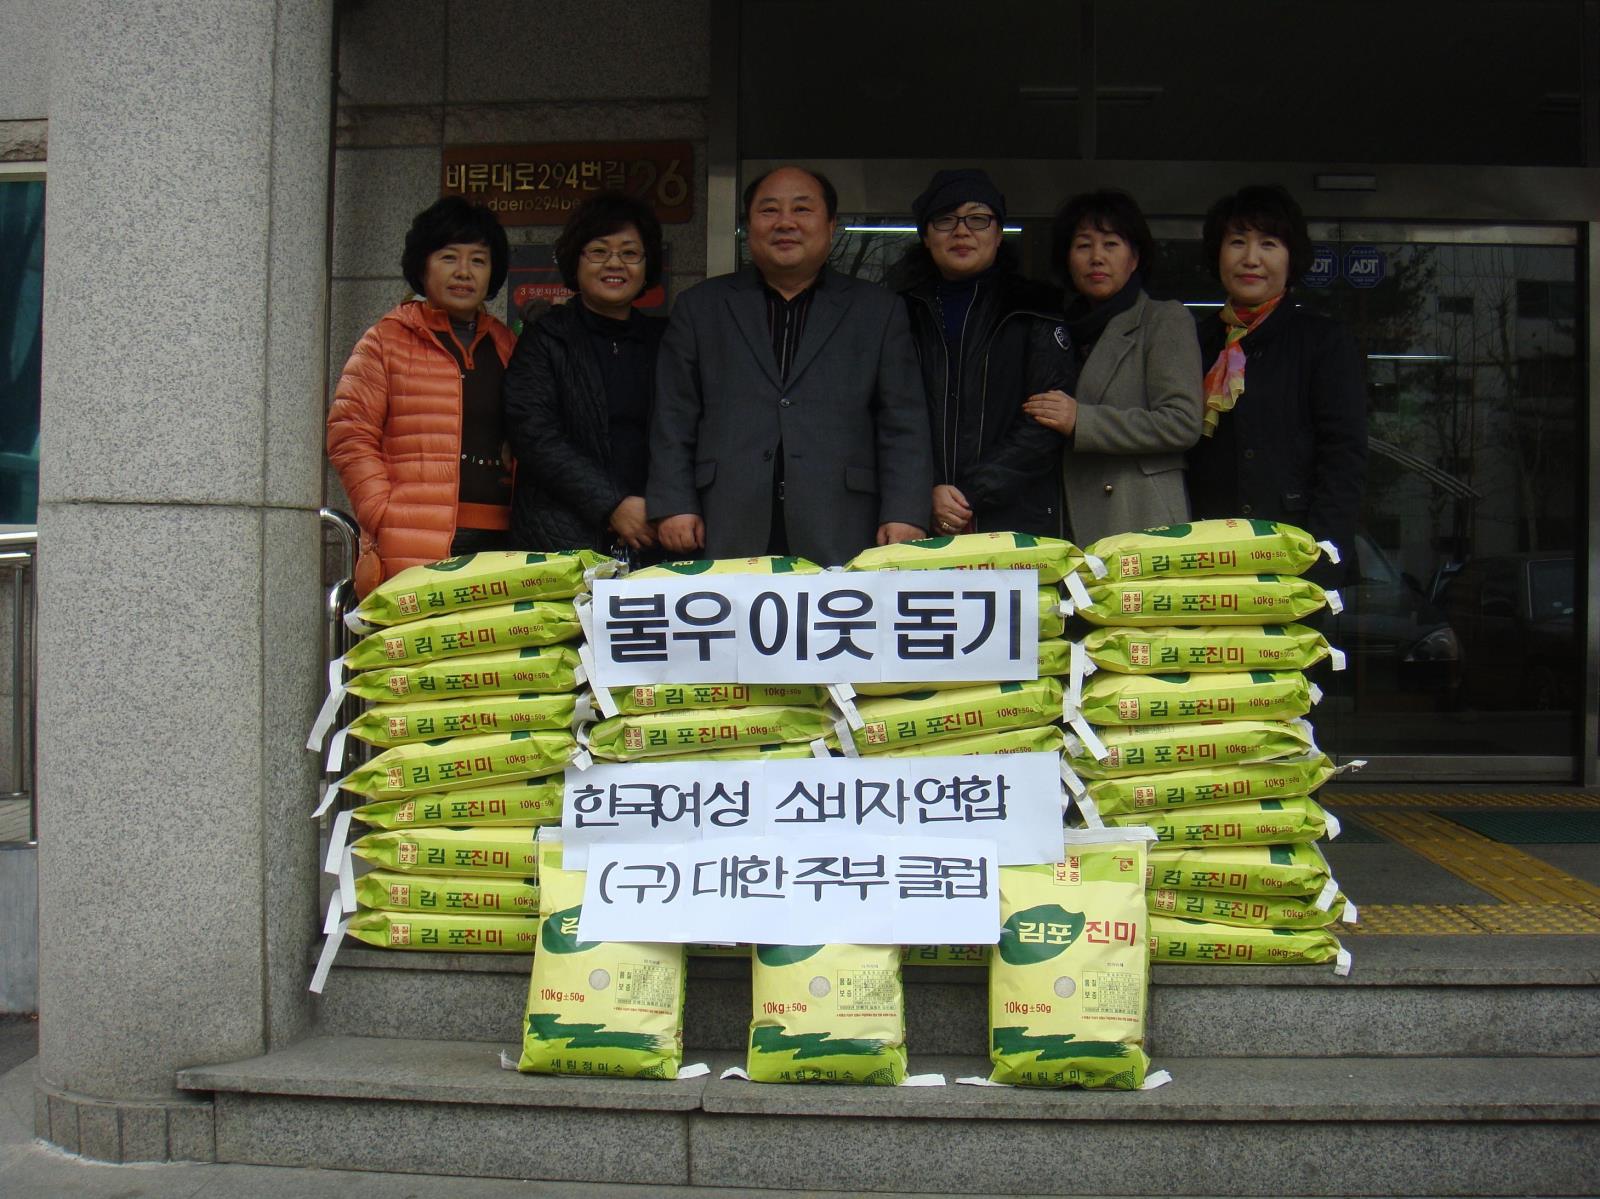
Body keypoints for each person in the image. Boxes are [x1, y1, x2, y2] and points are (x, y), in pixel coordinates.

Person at [646, 165, 933, 564]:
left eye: (802, 210)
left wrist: (905, 511)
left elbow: (903, 420)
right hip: (724, 518)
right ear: (748, 225)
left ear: (831, 226)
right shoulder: (701, 307)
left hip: (843, 520)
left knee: (837, 628)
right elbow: (674, 415)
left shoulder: (878, 310)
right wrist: (674, 502)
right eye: (769, 211)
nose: (785, 223)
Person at [327, 196, 516, 597]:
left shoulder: (506, 343)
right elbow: (349, 434)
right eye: (449, 258)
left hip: (503, 540)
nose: (464, 272)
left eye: (478, 260)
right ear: (423, 266)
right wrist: (384, 512)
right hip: (414, 544)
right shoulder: (387, 340)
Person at [1185, 184, 1366, 579]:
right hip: (1204, 556)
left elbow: (1343, 458)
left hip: (1296, 554)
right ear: (1217, 253)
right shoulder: (1195, 341)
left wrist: (1320, 555)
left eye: (1268, 244)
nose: (1251, 259)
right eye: (1237, 242)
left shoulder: (1323, 341)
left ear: (1291, 257)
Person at [894, 168, 1077, 537]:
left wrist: (968, 494)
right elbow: (886, 418)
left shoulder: (1036, 308)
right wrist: (922, 491)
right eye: (946, 220)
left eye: (978, 219)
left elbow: (1044, 423)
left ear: (998, 234)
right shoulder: (898, 313)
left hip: (1016, 522)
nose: (962, 231)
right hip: (917, 518)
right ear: (926, 237)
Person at [1023, 189, 1204, 546]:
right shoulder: (1055, 328)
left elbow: (1182, 423)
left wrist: (1083, 421)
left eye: (1111, 244)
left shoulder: (1163, 319)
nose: (1096, 258)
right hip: (1064, 522)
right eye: (1083, 246)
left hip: (1138, 517)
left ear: (1134, 257)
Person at [502, 192, 667, 560]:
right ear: (576, 260)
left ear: (647, 264)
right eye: (599, 251)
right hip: (562, 538)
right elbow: (534, 435)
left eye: (629, 253)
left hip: (656, 533)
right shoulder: (546, 337)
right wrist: (612, 504)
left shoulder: (667, 341)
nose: (615, 264)